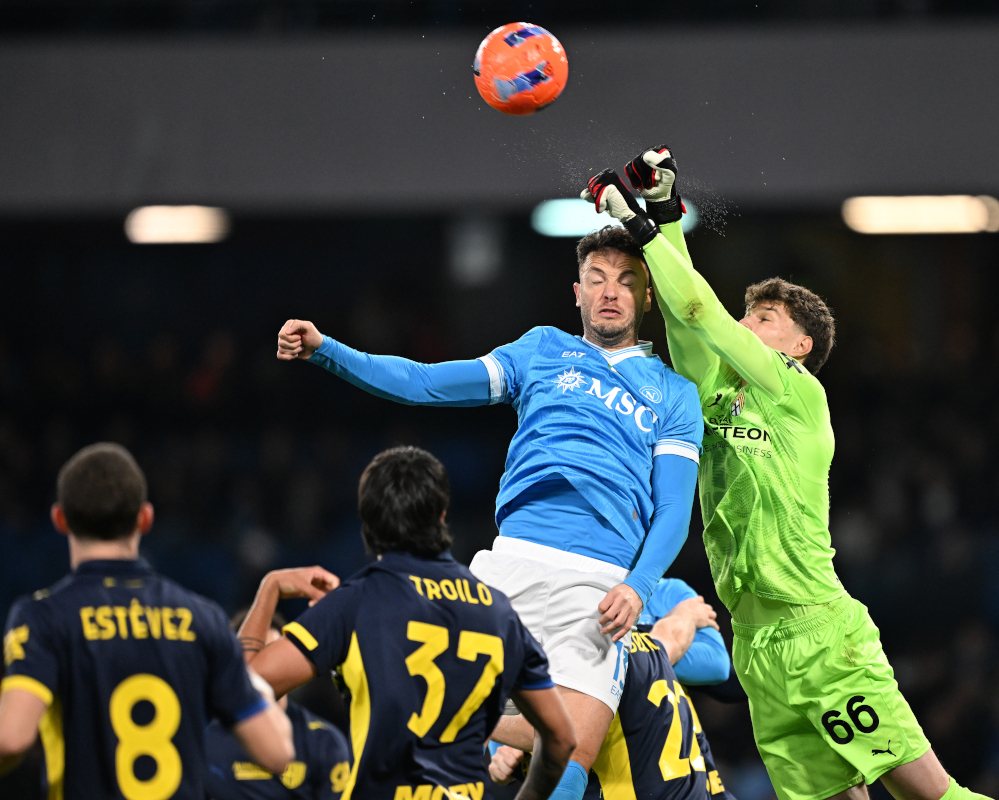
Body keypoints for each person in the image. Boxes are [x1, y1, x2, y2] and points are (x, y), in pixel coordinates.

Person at [582, 149, 992, 800]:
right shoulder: (717, 399)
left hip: (818, 634)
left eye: (764, 319)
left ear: (800, 345)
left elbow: (698, 315)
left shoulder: (797, 393)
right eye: (747, 316)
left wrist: (642, 230)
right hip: (757, 650)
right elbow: (691, 332)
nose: (744, 326)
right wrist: (663, 216)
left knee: (929, 794)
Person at [275, 227, 704, 800]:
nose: (611, 292)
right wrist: (328, 350)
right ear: (576, 291)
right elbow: (426, 383)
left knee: (573, 751)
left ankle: (508, 739)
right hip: (513, 563)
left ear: (648, 299)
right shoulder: (542, 350)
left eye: (627, 282)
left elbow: (675, 506)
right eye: (598, 279)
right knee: (428, 710)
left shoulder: (675, 394)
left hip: (602, 583)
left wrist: (639, 586)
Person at [238, 445, 578, 800]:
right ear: (442, 516)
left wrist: (270, 588)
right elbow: (561, 737)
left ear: (367, 522)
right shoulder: (497, 611)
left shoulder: (357, 601)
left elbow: (246, 686)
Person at [0, 443, 293, 800]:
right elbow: (278, 753)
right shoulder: (202, 618)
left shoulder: (43, 617)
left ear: (60, 519)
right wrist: (251, 680)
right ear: (145, 518)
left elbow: (11, 739)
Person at [489, 578, 735, 800]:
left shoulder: (590, 655)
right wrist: (680, 620)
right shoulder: (638, 647)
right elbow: (666, 645)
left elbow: (716, 666)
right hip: (694, 787)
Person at [204, 611, 351, 800]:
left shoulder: (324, 742)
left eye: (270, 655)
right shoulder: (202, 738)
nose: (262, 669)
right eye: (252, 658)